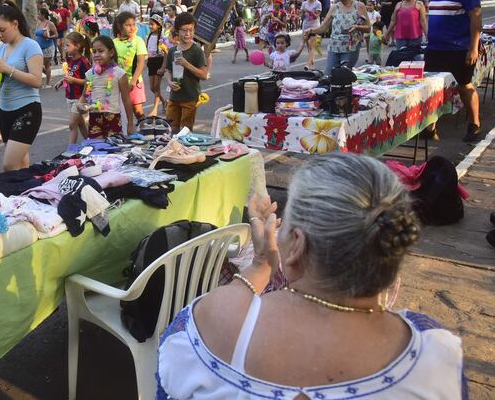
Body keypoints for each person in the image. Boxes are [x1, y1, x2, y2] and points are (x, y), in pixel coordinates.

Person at [158, 153, 466, 400]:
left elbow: (165, 385)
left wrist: (261, 264)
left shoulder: (214, 322)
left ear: (298, 247)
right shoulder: (432, 356)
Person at [426, 0, 483, 142]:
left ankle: (474, 124)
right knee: (432, 88)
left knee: (464, 86)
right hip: (435, 49)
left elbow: (475, 16)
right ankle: (431, 127)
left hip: (458, 48)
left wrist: (473, 47)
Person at [0, 1, 44, 171]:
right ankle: (24, 194)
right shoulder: (1, 50)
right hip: (5, 109)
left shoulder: (30, 46)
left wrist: (7, 69)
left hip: (27, 109)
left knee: (9, 165)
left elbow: (37, 81)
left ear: (15, 24)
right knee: (20, 163)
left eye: (2, 30)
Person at [304, 0, 370, 74]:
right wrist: (311, 30)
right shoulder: (335, 7)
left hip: (350, 48)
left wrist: (357, 27)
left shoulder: (359, 6)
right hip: (334, 48)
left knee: (342, 77)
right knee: (328, 76)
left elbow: (368, 28)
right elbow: (323, 28)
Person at [78, 35, 134, 138]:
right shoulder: (89, 74)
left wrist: (130, 123)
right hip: (94, 117)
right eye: (94, 51)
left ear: (111, 53)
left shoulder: (119, 73)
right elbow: (84, 97)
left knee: (113, 149)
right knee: (97, 149)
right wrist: (80, 106)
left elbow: (126, 100)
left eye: (101, 51)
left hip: (113, 117)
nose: (97, 55)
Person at [165, 12, 208, 134]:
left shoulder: (196, 51)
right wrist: (169, 81)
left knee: (185, 132)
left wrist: (186, 64)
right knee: (171, 129)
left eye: (191, 30)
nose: (187, 34)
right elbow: (167, 70)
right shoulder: (172, 51)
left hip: (190, 98)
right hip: (174, 98)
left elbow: (204, 75)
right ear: (177, 31)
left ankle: (184, 151)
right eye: (184, 30)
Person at [113, 11, 147, 120]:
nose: (131, 28)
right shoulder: (113, 42)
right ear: (119, 26)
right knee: (119, 113)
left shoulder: (138, 41)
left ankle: (145, 132)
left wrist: (133, 80)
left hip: (134, 82)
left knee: (137, 112)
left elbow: (141, 62)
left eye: (133, 25)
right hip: (118, 83)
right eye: (127, 25)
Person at [59, 31, 91, 144]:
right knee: (80, 122)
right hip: (70, 96)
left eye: (68, 45)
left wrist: (74, 80)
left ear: (77, 46)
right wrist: (61, 81)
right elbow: (70, 74)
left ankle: (71, 149)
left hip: (79, 98)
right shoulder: (70, 60)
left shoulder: (83, 62)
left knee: (72, 124)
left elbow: (89, 81)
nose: (65, 48)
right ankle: (91, 141)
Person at [384, 0, 428, 64]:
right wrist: (387, 34)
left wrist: (427, 35)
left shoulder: (419, 4)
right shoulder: (398, 5)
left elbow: (423, 21)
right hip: (400, 37)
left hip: (415, 37)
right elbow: (393, 21)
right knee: (400, 59)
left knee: (415, 59)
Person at [145, 14, 168, 116]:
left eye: (152, 24)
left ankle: (154, 110)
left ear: (158, 25)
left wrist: (163, 67)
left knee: (156, 87)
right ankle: (164, 101)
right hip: (151, 62)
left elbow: (166, 53)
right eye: (149, 24)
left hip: (159, 62)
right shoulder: (149, 36)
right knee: (151, 88)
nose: (150, 26)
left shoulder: (162, 37)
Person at [35, 8, 58, 86]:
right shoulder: (38, 23)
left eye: (39, 14)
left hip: (47, 48)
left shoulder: (49, 23)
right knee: (38, 65)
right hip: (39, 48)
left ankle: (47, 83)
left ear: (43, 15)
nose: (37, 15)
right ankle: (49, 76)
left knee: (46, 65)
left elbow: (56, 35)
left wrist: (49, 37)